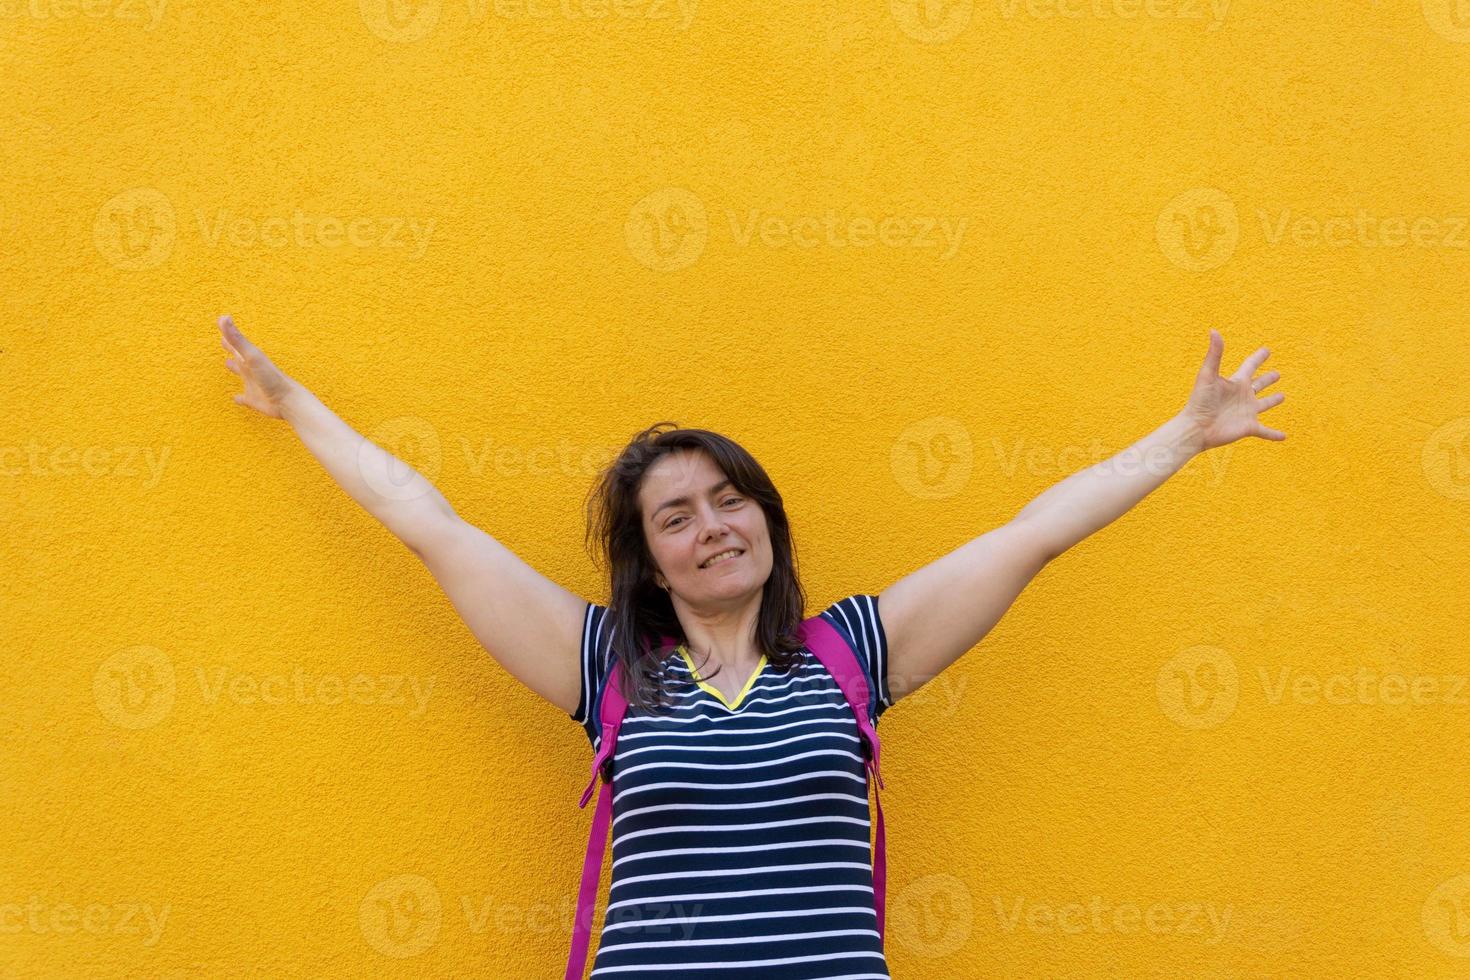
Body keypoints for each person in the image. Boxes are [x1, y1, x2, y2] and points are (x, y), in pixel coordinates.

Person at [216, 314, 1286, 978]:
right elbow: (435, 530)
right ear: (649, 557)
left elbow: (1032, 536)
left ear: (768, 518)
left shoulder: (856, 649)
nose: (713, 525)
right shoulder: (604, 665)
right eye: (676, 515)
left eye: (731, 499)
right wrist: (300, 406)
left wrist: (1182, 438)